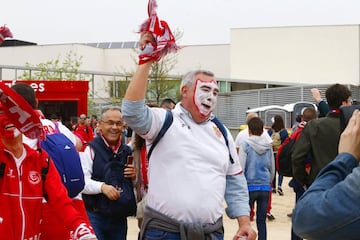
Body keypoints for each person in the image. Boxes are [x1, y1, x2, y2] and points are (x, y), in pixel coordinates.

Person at [121, 32, 256, 240]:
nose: (210, 97)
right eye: (204, 89)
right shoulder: (164, 121)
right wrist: (145, 61)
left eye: (215, 92)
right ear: (184, 90)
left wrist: (244, 222)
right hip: (164, 233)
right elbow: (132, 113)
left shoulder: (222, 132)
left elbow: (234, 180)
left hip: (211, 233)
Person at [0, 97, 96, 239]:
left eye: (13, 111)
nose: (8, 117)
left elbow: (61, 200)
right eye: (1, 112)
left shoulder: (41, 160)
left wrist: (82, 229)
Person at [292, 109, 360, 240]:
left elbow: (297, 156)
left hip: (320, 184)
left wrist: (302, 180)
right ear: (345, 101)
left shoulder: (314, 126)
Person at [81, 106, 136, 240]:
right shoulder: (90, 149)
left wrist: (135, 176)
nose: (114, 127)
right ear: (99, 124)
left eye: (118, 123)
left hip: (119, 217)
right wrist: (102, 187)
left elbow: (134, 186)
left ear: (124, 126)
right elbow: (83, 183)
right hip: (95, 216)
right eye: (110, 123)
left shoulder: (127, 152)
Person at [292, 83, 352, 188]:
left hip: (319, 182)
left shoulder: (313, 126)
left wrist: (306, 181)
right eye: (349, 101)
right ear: (344, 103)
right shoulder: (352, 127)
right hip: (348, 185)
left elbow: (297, 157)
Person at [235, 112, 276, 221]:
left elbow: (241, 166)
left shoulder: (243, 142)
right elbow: (272, 166)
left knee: (246, 220)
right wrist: (269, 181)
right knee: (262, 222)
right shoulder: (267, 142)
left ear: (248, 129)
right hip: (265, 184)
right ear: (262, 129)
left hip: (249, 185)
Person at [286, 107, 317, 240]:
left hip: (298, 179)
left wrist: (299, 178)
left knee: (298, 212)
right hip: (310, 179)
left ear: (303, 118)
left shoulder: (296, 130)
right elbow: (308, 157)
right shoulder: (313, 132)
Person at [267, 115, 288, 196]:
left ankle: (273, 187)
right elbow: (286, 142)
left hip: (271, 153)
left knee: (273, 170)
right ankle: (279, 185)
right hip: (280, 153)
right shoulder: (284, 131)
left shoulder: (270, 131)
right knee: (280, 170)